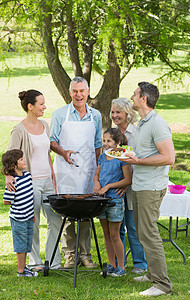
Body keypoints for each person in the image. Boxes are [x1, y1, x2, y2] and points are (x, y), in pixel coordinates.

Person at [124, 82, 175, 297]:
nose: (132, 97)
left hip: (150, 188)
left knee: (149, 234)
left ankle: (162, 284)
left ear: (143, 99)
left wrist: (139, 160)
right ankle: (153, 274)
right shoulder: (144, 123)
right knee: (142, 232)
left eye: (135, 94)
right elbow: (144, 152)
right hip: (140, 185)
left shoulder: (157, 124)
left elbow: (169, 158)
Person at [6, 89, 63, 271]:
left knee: (56, 220)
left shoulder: (44, 126)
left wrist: (53, 177)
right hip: (29, 184)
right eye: (41, 104)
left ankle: (53, 262)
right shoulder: (19, 130)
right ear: (30, 106)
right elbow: (9, 157)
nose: (44, 107)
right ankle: (35, 262)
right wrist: (8, 175)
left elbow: (46, 154)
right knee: (33, 222)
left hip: (47, 181)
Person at [50, 76, 102, 268]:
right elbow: (52, 141)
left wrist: (98, 170)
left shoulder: (95, 115)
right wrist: (63, 152)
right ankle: (69, 256)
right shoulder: (60, 114)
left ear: (87, 92)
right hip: (66, 170)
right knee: (68, 212)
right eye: (75, 91)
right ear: (70, 92)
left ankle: (85, 256)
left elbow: (98, 144)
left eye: (82, 91)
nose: (78, 95)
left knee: (87, 213)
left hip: (88, 170)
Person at [110, 98, 147, 274]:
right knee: (118, 225)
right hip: (118, 185)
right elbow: (111, 159)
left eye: (118, 112)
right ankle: (120, 264)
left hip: (134, 184)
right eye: (113, 112)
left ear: (128, 113)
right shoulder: (111, 134)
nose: (115, 115)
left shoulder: (137, 131)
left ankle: (140, 264)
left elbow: (139, 156)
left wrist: (128, 182)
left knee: (133, 226)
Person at [94, 128, 132, 276]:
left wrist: (108, 186)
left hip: (115, 200)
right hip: (102, 200)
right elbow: (97, 174)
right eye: (104, 141)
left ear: (118, 143)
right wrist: (97, 183)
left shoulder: (123, 158)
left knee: (115, 234)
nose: (106, 144)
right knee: (106, 234)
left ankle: (121, 267)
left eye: (109, 141)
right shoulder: (102, 157)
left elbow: (127, 180)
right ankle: (111, 264)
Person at [2, 149, 38, 277]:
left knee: (27, 243)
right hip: (18, 219)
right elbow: (6, 201)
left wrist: (32, 213)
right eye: (21, 159)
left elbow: (31, 195)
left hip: (28, 216)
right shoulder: (12, 182)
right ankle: (21, 271)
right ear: (14, 165)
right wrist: (17, 200)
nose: (24, 160)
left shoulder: (27, 176)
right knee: (20, 245)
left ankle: (24, 268)